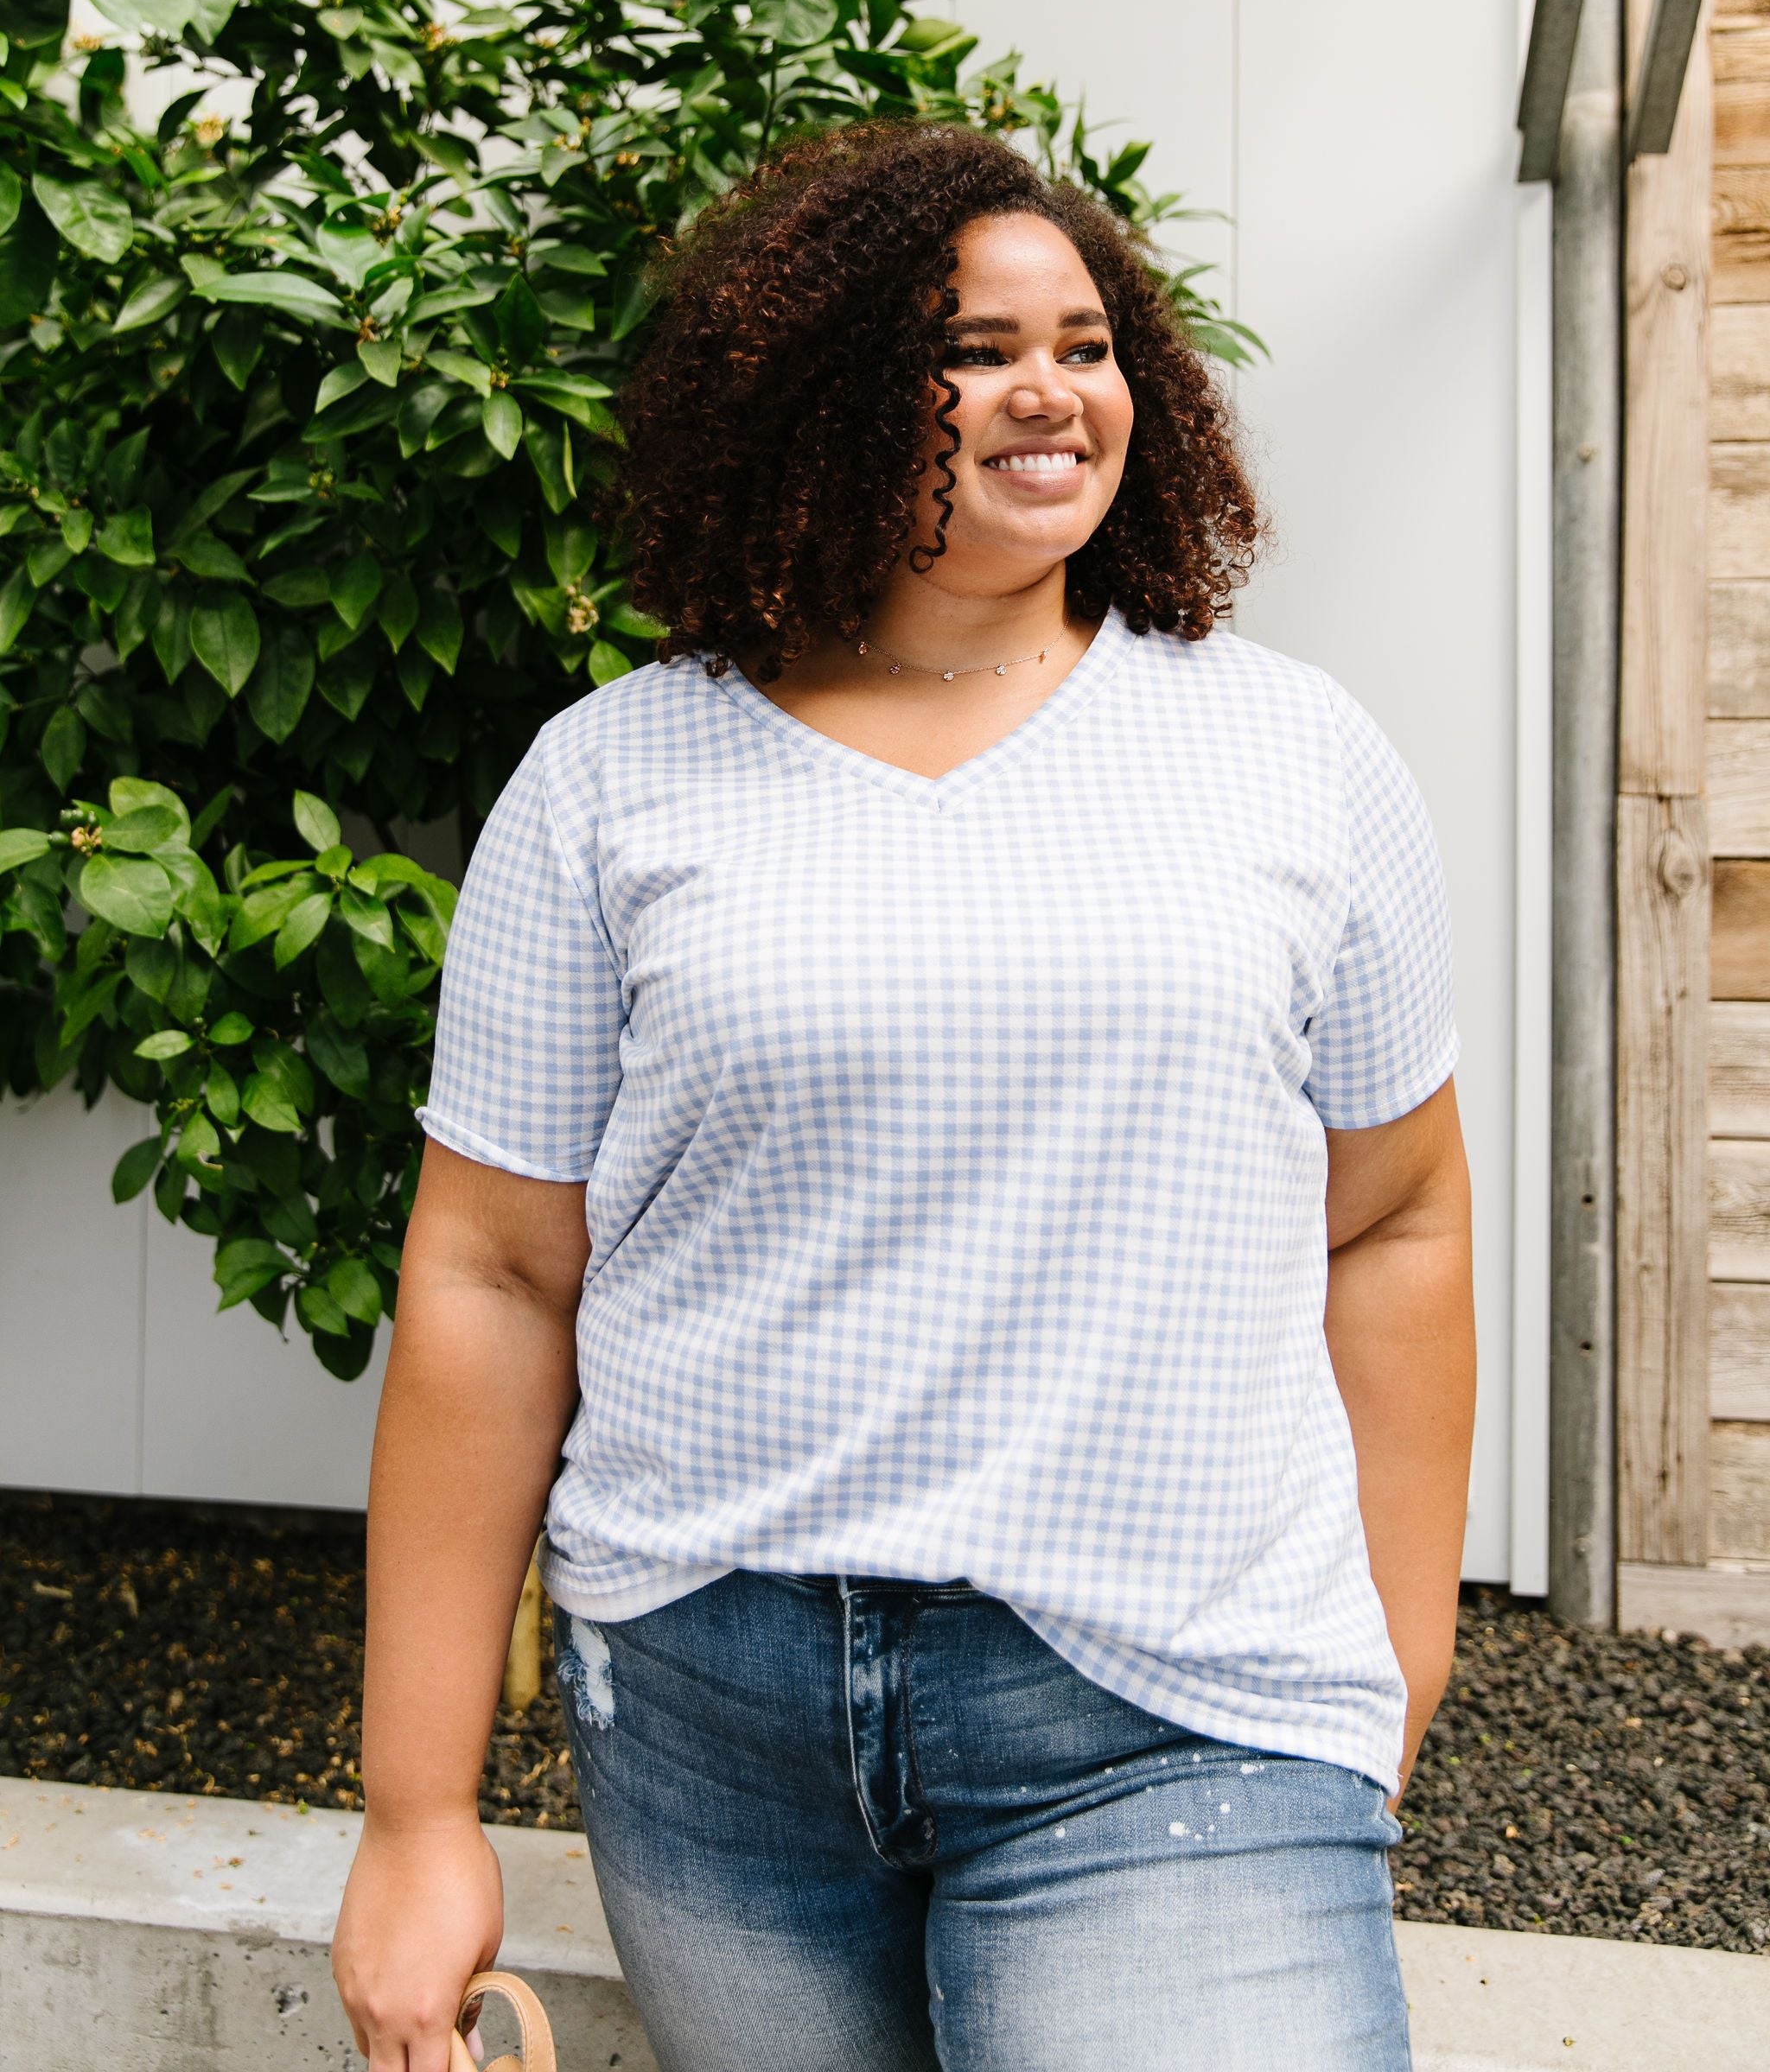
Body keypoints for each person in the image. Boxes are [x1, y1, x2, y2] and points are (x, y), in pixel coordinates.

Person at [332, 123, 1474, 2072]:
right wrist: (417, 1816)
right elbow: (492, 1280)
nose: (1048, 388)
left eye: (1087, 341)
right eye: (968, 347)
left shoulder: (1291, 757)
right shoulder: (612, 782)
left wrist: (1389, 1674)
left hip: (1176, 1704)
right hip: (715, 1713)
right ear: (822, 396)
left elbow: (1395, 1221)